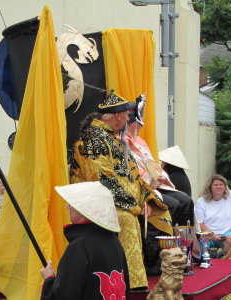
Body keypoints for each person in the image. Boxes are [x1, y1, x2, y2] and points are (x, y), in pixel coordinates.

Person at [69, 90, 173, 289]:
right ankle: (131, 285)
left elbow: (134, 176)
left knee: (163, 211)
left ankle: (154, 271)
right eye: (126, 115)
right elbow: (102, 180)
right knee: (126, 218)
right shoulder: (92, 140)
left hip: (121, 201)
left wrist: (147, 199)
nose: (128, 119)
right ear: (117, 116)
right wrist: (134, 206)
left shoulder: (112, 139)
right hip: (95, 203)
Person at [40, 181, 129, 300]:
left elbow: (64, 296)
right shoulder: (115, 243)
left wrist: (49, 279)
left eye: (72, 204)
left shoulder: (78, 247)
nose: (68, 207)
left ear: (83, 211)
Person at [124, 98, 194, 228]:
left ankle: (185, 242)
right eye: (138, 124)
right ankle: (164, 242)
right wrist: (151, 181)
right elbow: (130, 169)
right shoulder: (121, 142)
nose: (140, 126)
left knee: (186, 201)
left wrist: (160, 176)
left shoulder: (140, 142)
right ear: (132, 123)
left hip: (155, 184)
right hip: (141, 187)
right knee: (173, 205)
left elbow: (152, 164)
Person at [194, 174, 231, 253]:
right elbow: (199, 223)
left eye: (221, 184)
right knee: (197, 246)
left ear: (225, 186)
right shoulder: (201, 201)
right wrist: (212, 235)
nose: (219, 187)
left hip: (228, 232)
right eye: (215, 185)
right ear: (210, 187)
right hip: (207, 233)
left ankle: (227, 261)